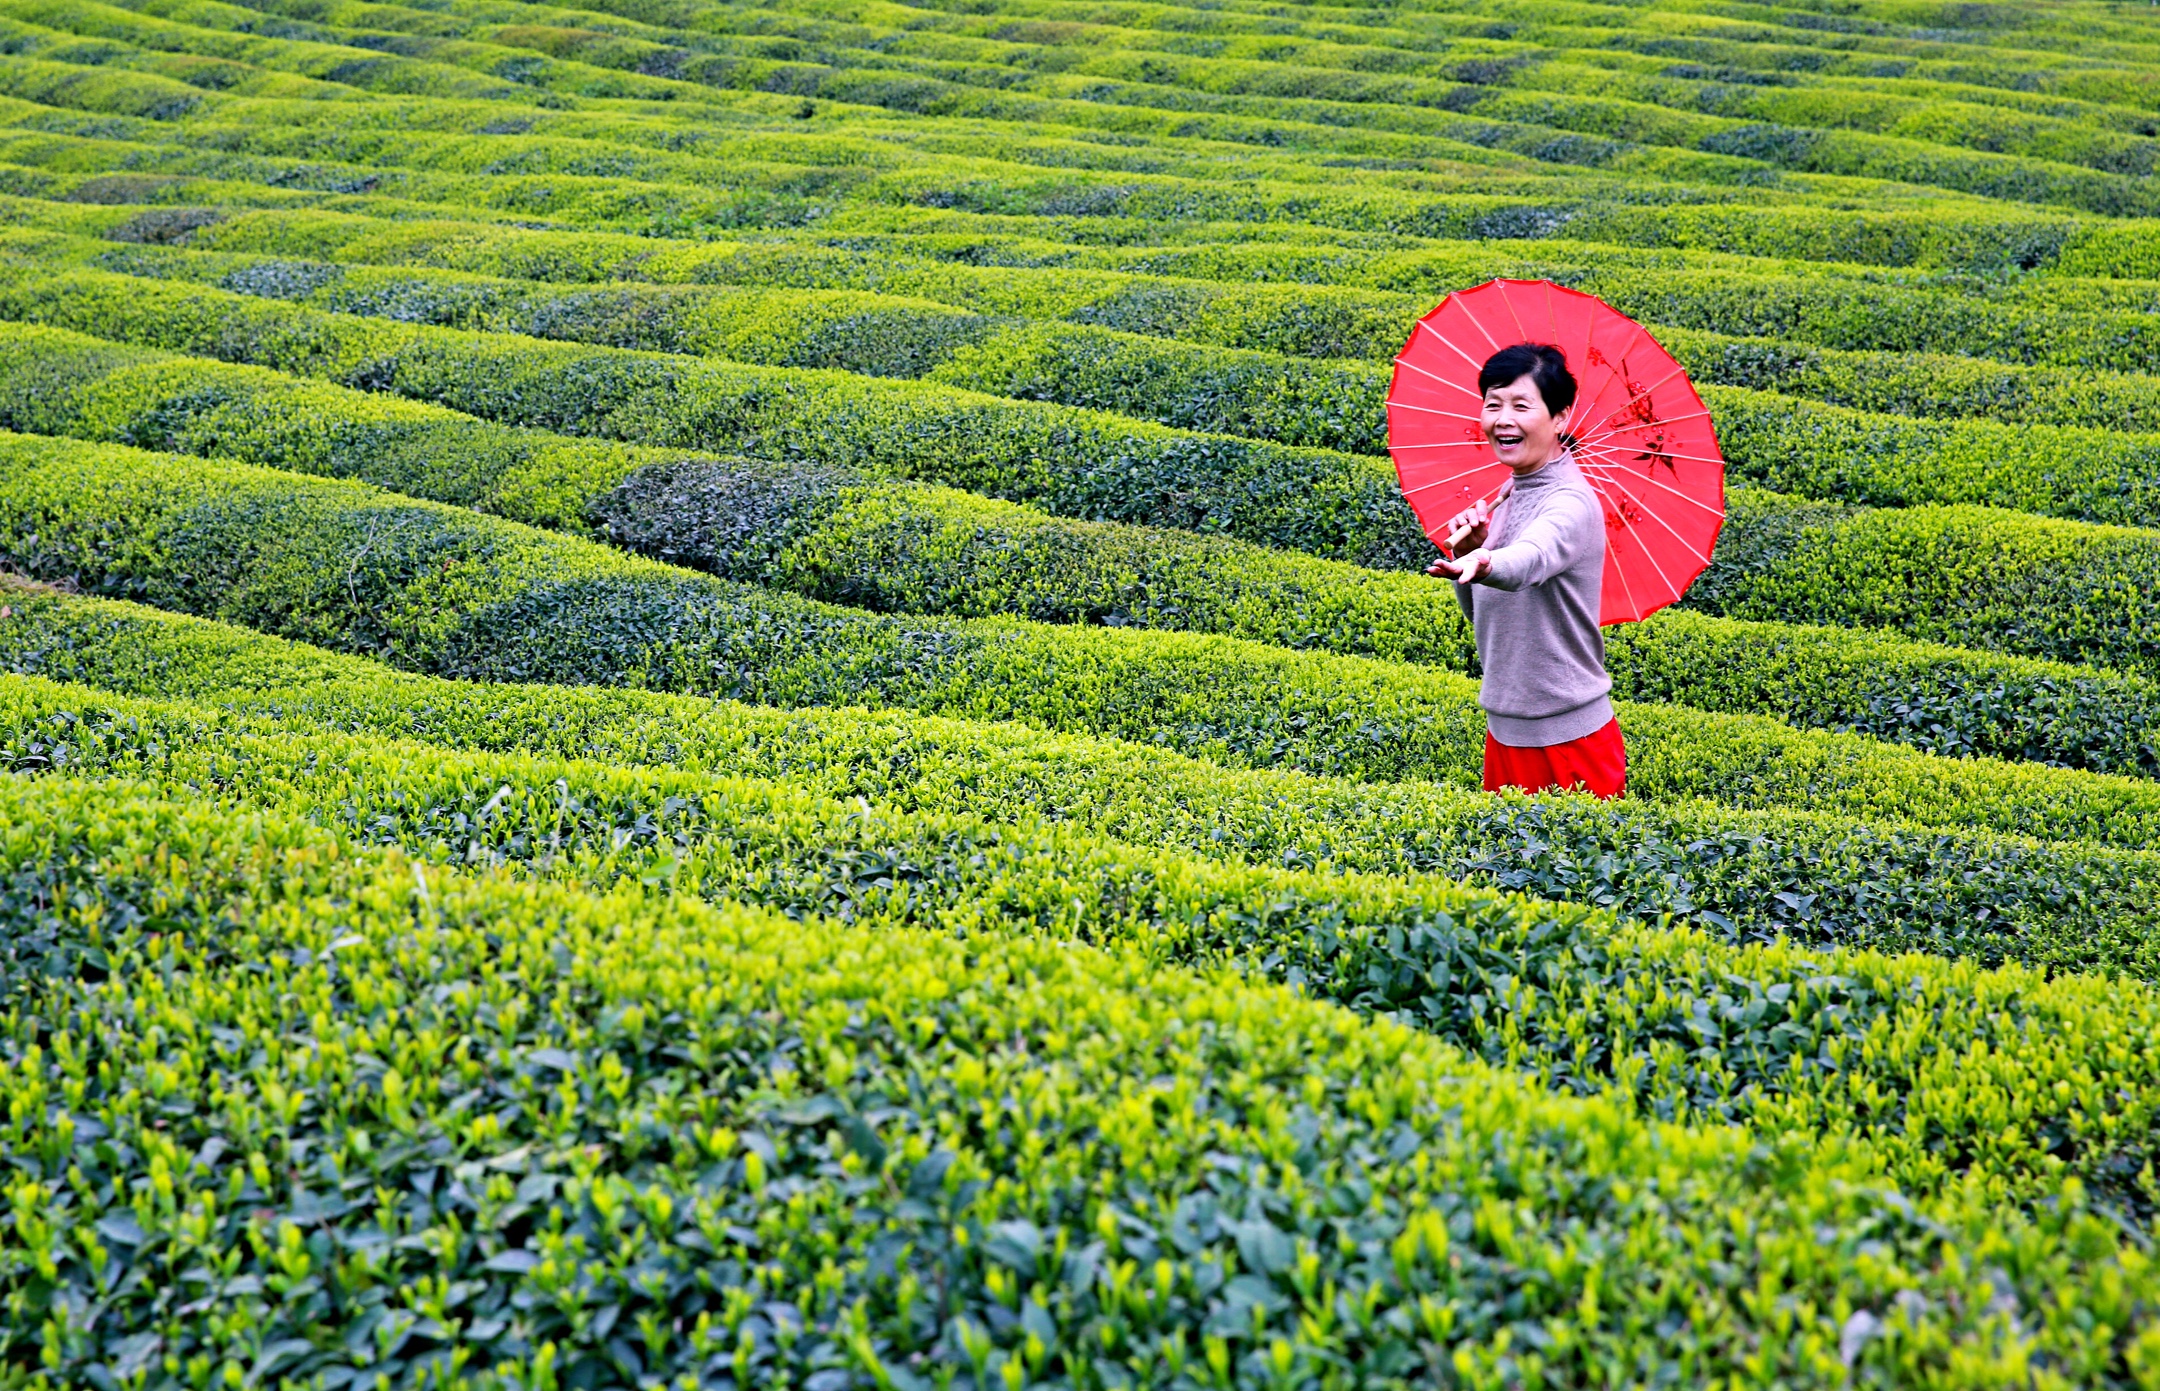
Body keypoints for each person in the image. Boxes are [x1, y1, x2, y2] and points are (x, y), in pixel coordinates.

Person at [1426, 342, 1625, 799]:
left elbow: (1531, 559)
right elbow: (1493, 616)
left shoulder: (1569, 502)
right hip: (1508, 725)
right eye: (1493, 404)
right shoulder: (1510, 494)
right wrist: (1471, 558)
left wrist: (1488, 560)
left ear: (1559, 418)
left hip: (1567, 735)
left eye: (1521, 405)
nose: (1503, 419)